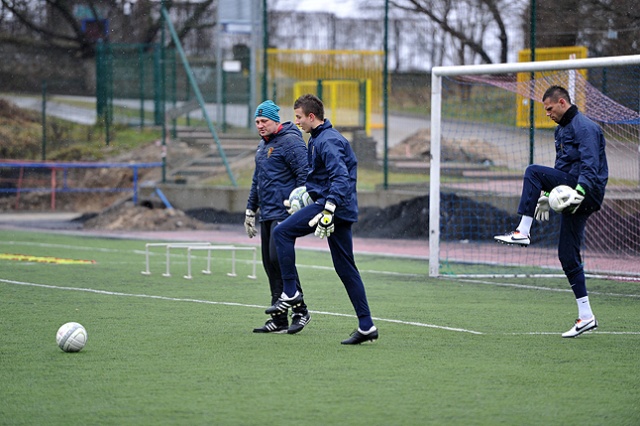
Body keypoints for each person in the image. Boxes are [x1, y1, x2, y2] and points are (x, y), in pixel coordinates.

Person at [494, 85, 608, 338]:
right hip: (572, 190)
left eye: (549, 108)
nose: (547, 113)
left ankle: (522, 231)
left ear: (562, 102)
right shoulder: (561, 130)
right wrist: (546, 196)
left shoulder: (585, 127)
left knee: (532, 171)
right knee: (567, 255)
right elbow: (561, 167)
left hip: (586, 190)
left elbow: (591, 165)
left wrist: (580, 190)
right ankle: (586, 316)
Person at [266, 93, 378, 345]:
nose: (296, 122)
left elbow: (340, 177)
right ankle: (367, 325)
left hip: (333, 207)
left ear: (311, 116)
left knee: (281, 232)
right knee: (346, 268)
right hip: (337, 206)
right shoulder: (319, 138)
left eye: (298, 117)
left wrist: (328, 209)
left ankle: (291, 292)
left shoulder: (327, 140)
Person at [245, 100, 311, 334]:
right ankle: (279, 317)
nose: (260, 125)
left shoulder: (291, 141)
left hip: (284, 213)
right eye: (257, 122)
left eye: (264, 121)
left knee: (278, 259)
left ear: (275, 120)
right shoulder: (263, 146)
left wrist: (300, 205)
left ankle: (300, 310)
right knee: (269, 264)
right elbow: (257, 179)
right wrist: (250, 209)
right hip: (267, 213)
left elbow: (305, 174)